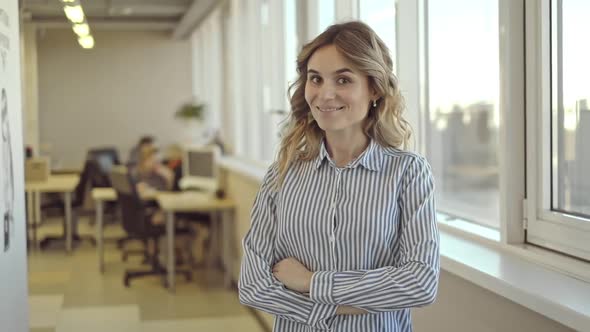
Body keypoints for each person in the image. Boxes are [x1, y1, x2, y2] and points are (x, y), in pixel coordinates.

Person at [238, 21, 439, 331]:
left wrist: (311, 282)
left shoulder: (408, 173)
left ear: (374, 88)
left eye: (343, 80)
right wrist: (342, 307)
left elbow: (420, 283)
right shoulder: (282, 173)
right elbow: (253, 285)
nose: (325, 94)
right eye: (315, 79)